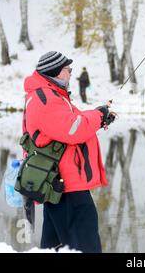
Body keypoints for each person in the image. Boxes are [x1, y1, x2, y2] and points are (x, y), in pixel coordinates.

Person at [22, 51, 116, 253]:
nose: (71, 73)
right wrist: (99, 115)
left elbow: (70, 124)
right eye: (68, 70)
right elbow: (73, 129)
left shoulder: (50, 95)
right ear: (56, 72)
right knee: (86, 247)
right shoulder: (45, 98)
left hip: (60, 184)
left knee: (55, 247)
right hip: (66, 186)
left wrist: (99, 118)